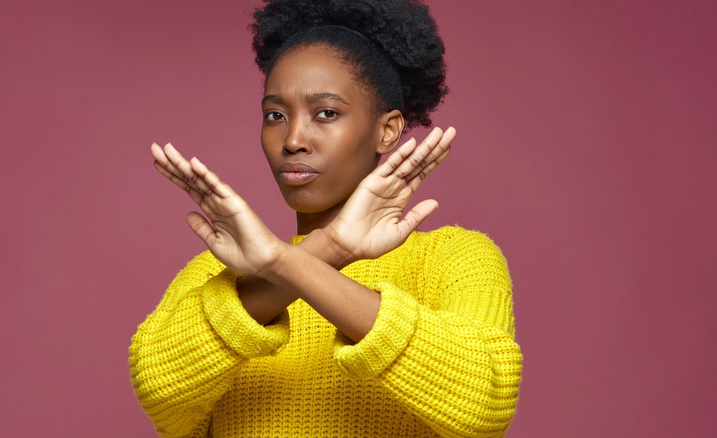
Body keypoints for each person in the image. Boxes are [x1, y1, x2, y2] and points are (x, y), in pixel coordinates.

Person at [129, 0, 522, 436]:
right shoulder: (218, 275)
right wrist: (329, 249)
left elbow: (482, 403)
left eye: (326, 113)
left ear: (387, 130)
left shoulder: (454, 258)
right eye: (275, 115)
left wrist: (281, 263)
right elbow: (161, 395)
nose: (293, 139)